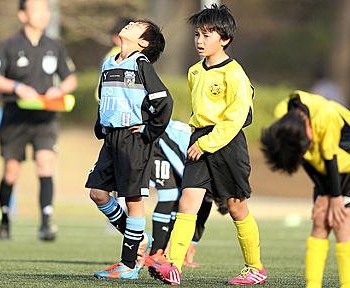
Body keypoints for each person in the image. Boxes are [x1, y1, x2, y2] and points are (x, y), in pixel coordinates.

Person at [149, 4, 267, 285]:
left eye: (207, 35)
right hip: (198, 141)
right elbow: (198, 113)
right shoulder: (194, 72)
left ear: (224, 39)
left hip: (226, 144)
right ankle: (174, 266)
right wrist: (195, 139)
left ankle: (255, 268)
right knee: (188, 199)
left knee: (237, 206)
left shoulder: (235, 74)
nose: (200, 41)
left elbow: (236, 118)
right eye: (197, 35)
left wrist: (208, 143)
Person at [260, 90, 350, 288]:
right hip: (326, 169)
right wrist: (323, 192)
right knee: (319, 221)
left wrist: (333, 197)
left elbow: (329, 158)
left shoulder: (325, 116)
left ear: (308, 126)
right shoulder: (283, 116)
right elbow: (307, 160)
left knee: (339, 220)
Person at [86, 20, 172, 280]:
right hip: (111, 140)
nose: (130, 24)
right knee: (98, 193)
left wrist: (149, 131)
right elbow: (105, 97)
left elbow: (164, 101)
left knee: (133, 199)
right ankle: (137, 238)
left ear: (143, 43)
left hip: (134, 140)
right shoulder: (109, 63)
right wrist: (101, 124)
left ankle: (129, 265)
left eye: (136, 26)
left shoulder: (141, 64)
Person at [0, 0, 77, 241]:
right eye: (37, 9)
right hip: (15, 116)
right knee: (11, 171)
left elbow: (70, 79)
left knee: (46, 163)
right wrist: (17, 87)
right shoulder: (8, 45)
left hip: (45, 116)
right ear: (23, 15)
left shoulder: (55, 45)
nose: (43, 14)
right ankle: (4, 218)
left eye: (46, 9)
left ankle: (46, 223)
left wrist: (61, 90)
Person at [144, 120, 215, 268]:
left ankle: (174, 252)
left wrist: (192, 242)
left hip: (182, 154)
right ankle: (156, 253)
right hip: (159, 143)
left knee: (199, 198)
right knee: (170, 194)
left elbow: (206, 202)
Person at [94, 17, 134, 103]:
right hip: (114, 102)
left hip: (105, 99)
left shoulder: (112, 54)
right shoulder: (117, 55)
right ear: (115, 38)